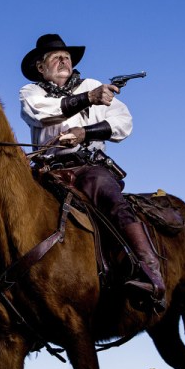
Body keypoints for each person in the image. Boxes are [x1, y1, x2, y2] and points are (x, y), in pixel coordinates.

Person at [19, 33, 165, 310]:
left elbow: (123, 123)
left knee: (115, 203)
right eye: (55, 58)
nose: (64, 61)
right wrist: (89, 98)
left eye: (67, 57)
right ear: (40, 67)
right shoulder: (31, 92)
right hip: (47, 172)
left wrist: (84, 132)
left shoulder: (93, 84)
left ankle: (149, 273)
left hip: (89, 169)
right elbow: (42, 113)